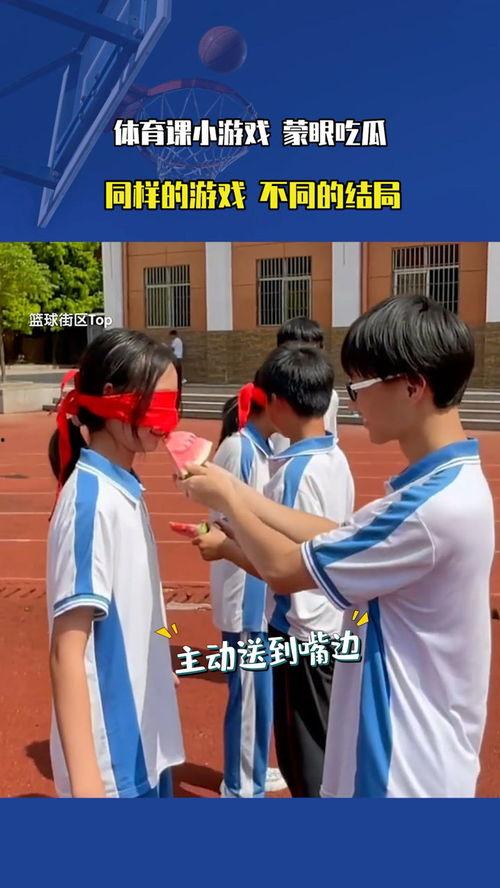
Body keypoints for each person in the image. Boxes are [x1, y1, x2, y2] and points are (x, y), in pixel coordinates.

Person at [180, 294, 494, 798]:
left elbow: (284, 568)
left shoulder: (429, 510)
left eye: (359, 387)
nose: (348, 402)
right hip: (419, 753)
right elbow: (332, 533)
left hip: (397, 770)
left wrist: (228, 501)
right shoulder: (446, 486)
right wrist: (237, 493)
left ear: (412, 386)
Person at [197, 344, 354, 797]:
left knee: (305, 760)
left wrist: (225, 547)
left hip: (299, 631)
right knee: (323, 746)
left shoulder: (292, 474)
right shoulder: (335, 458)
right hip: (329, 623)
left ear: (280, 403)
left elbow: (281, 566)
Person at [46, 329, 184, 798]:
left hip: (147, 739)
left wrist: (157, 663)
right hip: (114, 764)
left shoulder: (123, 486)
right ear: (112, 398)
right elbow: (67, 650)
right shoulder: (90, 501)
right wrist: (88, 785)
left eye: (174, 402)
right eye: (158, 402)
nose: (169, 417)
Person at [211, 388, 285, 797]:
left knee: (258, 693)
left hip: (258, 590)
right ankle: (240, 785)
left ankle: (250, 768)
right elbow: (226, 522)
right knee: (249, 693)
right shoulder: (239, 449)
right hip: (244, 594)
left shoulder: (260, 448)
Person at [272, 317, 339, 451]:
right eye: (296, 349)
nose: (304, 358)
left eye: (313, 349)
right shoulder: (269, 393)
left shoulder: (330, 396)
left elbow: (330, 438)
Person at [169, 329, 184, 411]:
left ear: (173, 335)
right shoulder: (179, 340)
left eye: (171, 336)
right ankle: (181, 379)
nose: (171, 337)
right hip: (179, 357)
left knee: (175, 370)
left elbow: (172, 348)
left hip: (176, 358)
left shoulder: (176, 340)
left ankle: (179, 379)